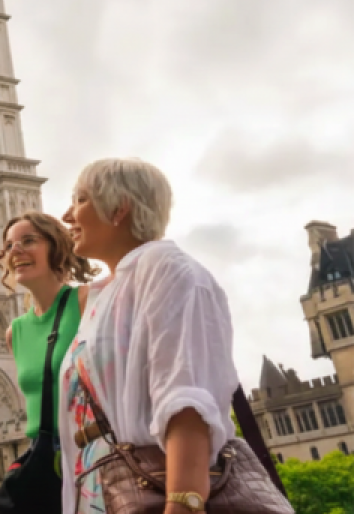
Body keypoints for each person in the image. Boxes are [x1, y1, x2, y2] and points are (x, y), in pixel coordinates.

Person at [59, 158, 239, 514]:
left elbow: (187, 397)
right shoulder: (106, 293)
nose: (67, 215)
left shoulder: (166, 268)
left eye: (80, 200)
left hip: (153, 490)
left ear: (119, 208)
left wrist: (183, 502)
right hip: (102, 488)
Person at [0, 211, 97, 446]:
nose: (15, 250)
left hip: (90, 446)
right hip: (43, 454)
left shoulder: (86, 301)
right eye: (9, 245)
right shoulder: (16, 332)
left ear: (57, 247)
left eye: (28, 241)